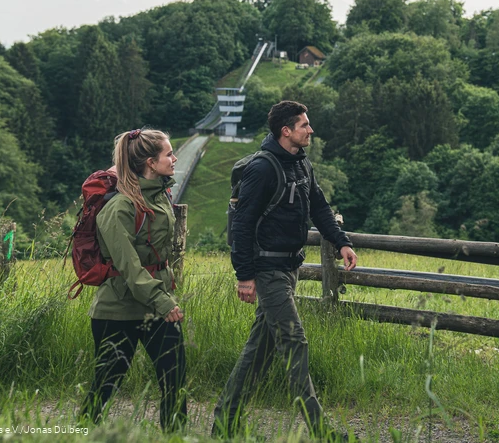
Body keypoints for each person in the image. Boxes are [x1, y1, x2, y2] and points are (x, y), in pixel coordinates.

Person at [213, 101, 358, 440]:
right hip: (267, 269)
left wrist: (342, 243)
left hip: (289, 267)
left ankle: (224, 422)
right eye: (305, 125)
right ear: (286, 131)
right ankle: (321, 431)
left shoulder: (301, 164)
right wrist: (244, 275)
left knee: (258, 350)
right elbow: (243, 225)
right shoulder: (262, 169)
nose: (311, 130)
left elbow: (319, 207)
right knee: (295, 342)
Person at [78, 129, 187, 432]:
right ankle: (83, 433)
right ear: (151, 163)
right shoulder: (119, 207)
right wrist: (163, 301)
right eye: (168, 154)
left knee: (174, 378)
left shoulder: (160, 193)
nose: (174, 158)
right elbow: (129, 266)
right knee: (106, 384)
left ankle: (176, 436)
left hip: (156, 304)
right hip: (119, 310)